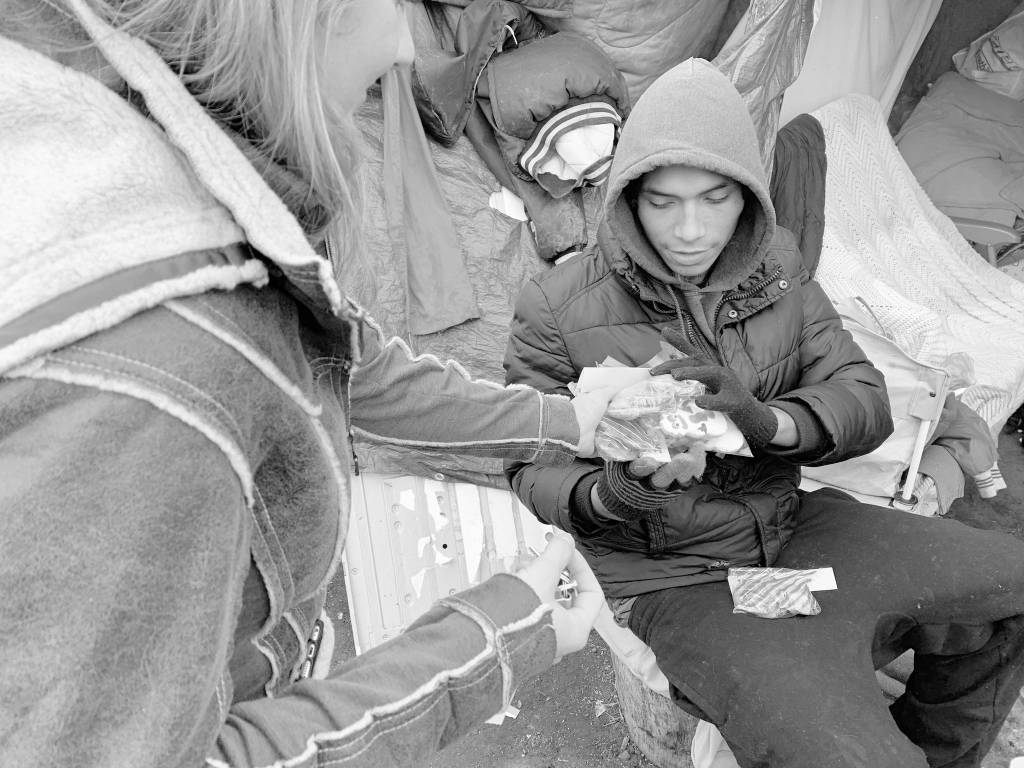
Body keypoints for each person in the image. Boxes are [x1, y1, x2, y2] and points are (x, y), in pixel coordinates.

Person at [0, 1, 623, 765]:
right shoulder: (158, 371)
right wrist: (488, 644)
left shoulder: (130, 143)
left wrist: (567, 422)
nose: (403, 44)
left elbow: (350, 366)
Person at [504, 58, 1024, 768]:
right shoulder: (557, 307)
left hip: (791, 534)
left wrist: (762, 422)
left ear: (747, 197)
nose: (690, 229)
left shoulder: (774, 270)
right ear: (626, 198)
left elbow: (863, 400)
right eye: (662, 203)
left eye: (715, 199)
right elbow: (530, 470)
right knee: (851, 754)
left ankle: (942, 753)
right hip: (678, 580)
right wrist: (620, 488)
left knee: (1007, 587)